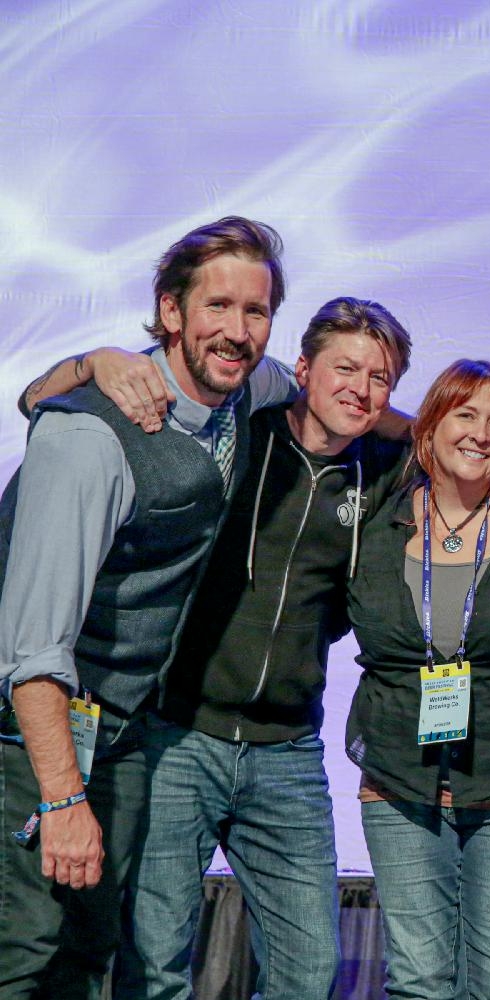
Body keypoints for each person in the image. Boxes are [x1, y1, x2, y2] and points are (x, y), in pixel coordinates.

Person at [0, 216, 293, 998]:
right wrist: (60, 799)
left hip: (119, 734)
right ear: (170, 310)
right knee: (20, 954)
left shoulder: (248, 390)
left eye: (255, 311)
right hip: (28, 737)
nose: (237, 331)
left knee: (88, 953)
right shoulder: (89, 437)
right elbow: (32, 649)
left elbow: (329, 397)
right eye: (217, 307)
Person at [120, 297, 413, 1000]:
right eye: (345, 368)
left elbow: (474, 440)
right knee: (154, 967)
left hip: (287, 751)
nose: (361, 389)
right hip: (178, 736)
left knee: (309, 972)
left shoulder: (386, 470)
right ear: (302, 369)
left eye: (380, 377)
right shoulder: (238, 430)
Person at [344, 358, 490, 1000]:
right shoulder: (376, 522)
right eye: (464, 415)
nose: (481, 433)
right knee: (418, 980)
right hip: (397, 782)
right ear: (429, 429)